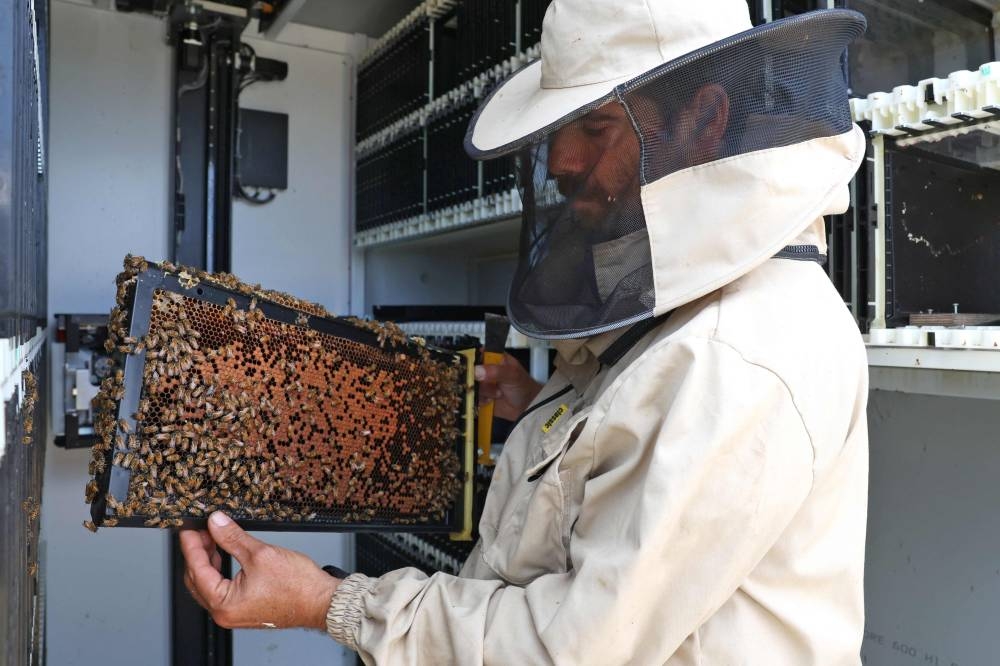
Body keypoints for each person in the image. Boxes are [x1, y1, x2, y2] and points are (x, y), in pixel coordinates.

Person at [181, 1, 872, 663]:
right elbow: (652, 435)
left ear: (705, 118)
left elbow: (568, 650)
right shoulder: (697, 312)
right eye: (561, 128)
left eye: (595, 127)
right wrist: (542, 402)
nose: (563, 160)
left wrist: (331, 603)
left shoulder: (740, 357)